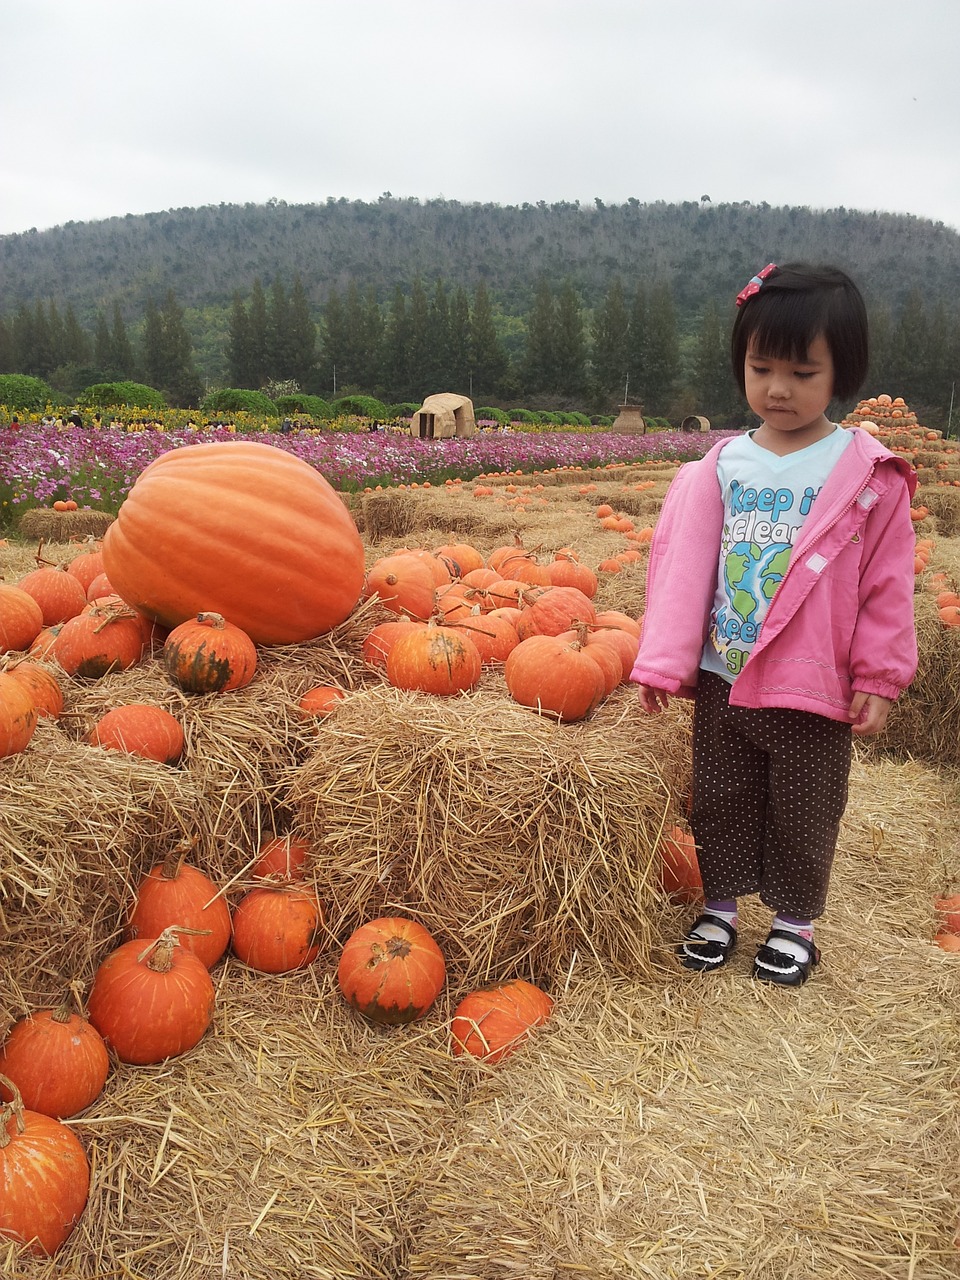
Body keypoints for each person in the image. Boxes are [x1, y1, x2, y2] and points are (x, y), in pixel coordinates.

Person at [631, 262, 918, 987]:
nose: (778, 388)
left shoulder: (863, 471)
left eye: (801, 371)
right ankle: (721, 905)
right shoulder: (722, 465)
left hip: (812, 679)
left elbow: (887, 583)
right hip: (727, 671)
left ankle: (794, 922)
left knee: (805, 806)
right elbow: (682, 566)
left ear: (840, 373)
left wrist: (880, 676)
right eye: (761, 368)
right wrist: (665, 662)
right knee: (722, 795)